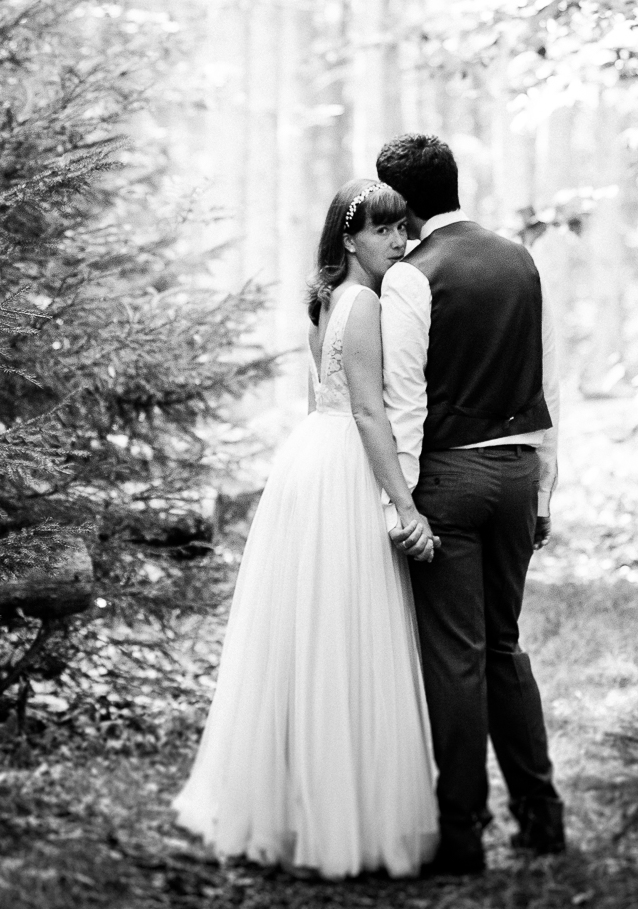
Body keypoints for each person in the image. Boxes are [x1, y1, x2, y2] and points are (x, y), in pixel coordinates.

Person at [172, 178, 441, 879]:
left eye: (400, 228)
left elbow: (318, 398)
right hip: (344, 467)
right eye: (381, 230)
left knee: (310, 632)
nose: (397, 241)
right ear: (349, 238)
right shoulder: (363, 303)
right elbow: (369, 413)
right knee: (346, 630)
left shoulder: (324, 299)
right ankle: (336, 811)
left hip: (308, 460)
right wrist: (404, 504)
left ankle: (299, 802)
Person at [377, 134, 566, 876]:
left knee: (455, 659)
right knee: (503, 647)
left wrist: (403, 503)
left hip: (449, 480)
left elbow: (405, 403)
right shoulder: (520, 258)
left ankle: (462, 837)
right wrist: (547, 486)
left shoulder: (411, 277)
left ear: (400, 200)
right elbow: (549, 384)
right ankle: (541, 820)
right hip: (519, 473)